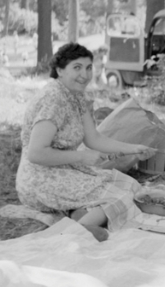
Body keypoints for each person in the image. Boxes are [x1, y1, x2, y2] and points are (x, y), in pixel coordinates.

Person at [15, 43, 156, 241]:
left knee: (131, 186)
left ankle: (81, 219)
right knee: (121, 197)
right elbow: (36, 154)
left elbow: (94, 138)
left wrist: (133, 149)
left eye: (89, 67)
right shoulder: (53, 99)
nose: (85, 74)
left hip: (64, 170)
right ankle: (78, 232)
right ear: (60, 70)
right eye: (77, 67)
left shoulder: (75, 95)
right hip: (39, 178)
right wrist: (81, 156)